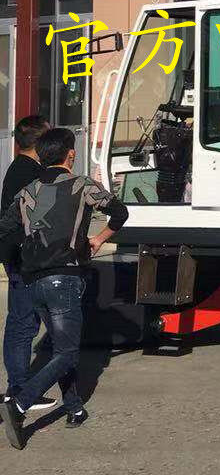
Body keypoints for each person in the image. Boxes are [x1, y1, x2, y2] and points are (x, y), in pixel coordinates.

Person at [0, 127, 129, 450]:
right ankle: (19, 405)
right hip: (64, 278)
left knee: (60, 347)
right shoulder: (82, 184)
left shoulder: (28, 191)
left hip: (32, 281)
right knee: (67, 351)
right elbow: (120, 212)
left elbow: (5, 227)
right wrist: (98, 240)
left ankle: (74, 408)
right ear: (70, 154)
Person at [2, 115, 60, 415]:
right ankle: (20, 390)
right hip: (26, 258)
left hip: (17, 256)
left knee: (22, 321)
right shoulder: (31, 173)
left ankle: (17, 387)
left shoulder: (20, 168)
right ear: (40, 142)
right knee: (24, 324)